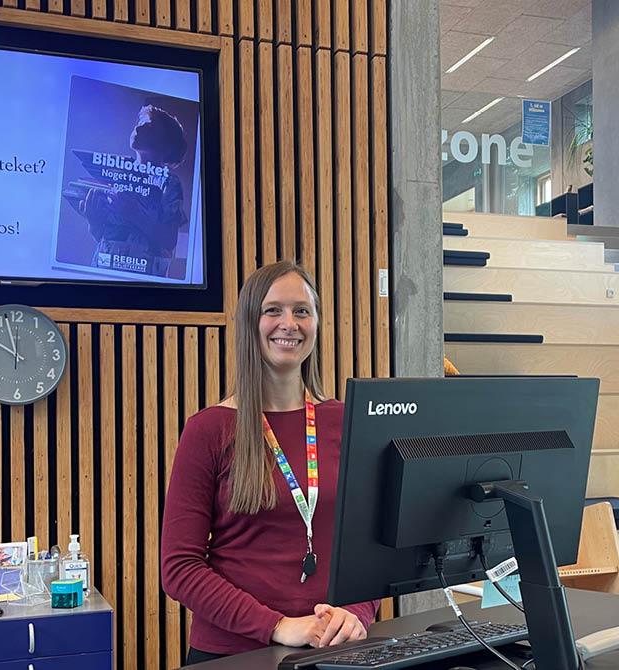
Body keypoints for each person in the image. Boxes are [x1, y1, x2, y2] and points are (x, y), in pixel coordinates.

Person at [161, 261, 380, 664]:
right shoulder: (209, 429)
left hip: (333, 649)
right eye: (273, 310)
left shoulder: (347, 422)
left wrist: (357, 614)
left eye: (302, 311)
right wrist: (279, 626)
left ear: (316, 323)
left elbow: (371, 546)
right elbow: (180, 567)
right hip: (234, 654)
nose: (289, 323)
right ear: (250, 322)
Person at [78, 104, 189, 277]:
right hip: (103, 272)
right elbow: (102, 235)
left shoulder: (169, 182)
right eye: (140, 121)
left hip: (145, 280)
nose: (139, 126)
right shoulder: (115, 173)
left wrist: (135, 215)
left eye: (149, 124)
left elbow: (169, 240)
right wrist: (93, 221)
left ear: (166, 143)